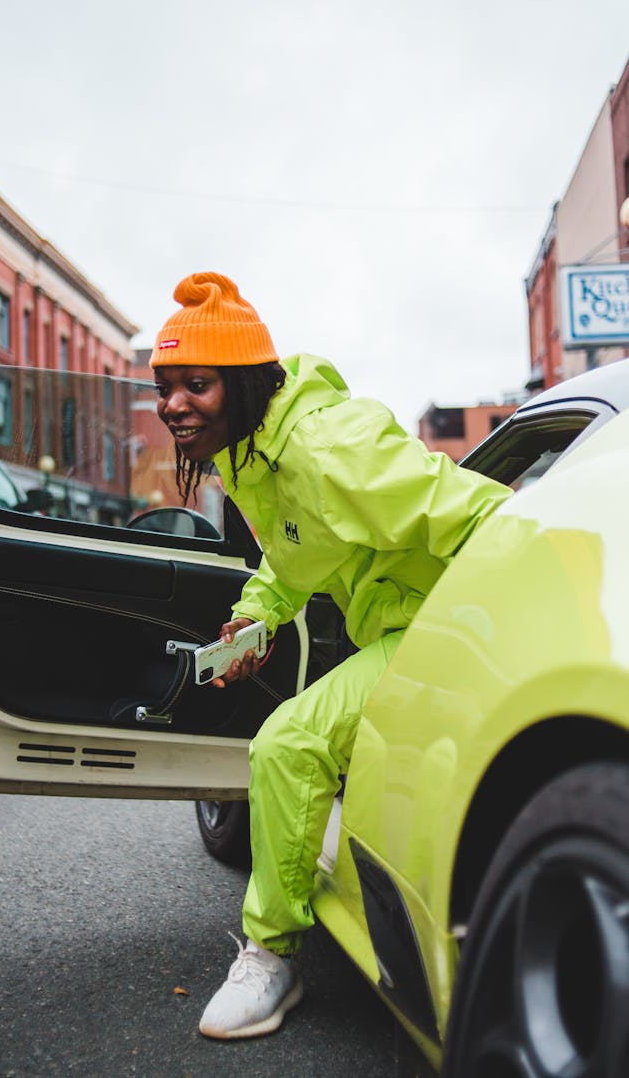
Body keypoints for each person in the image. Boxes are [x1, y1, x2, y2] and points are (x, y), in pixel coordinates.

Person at [151, 272, 512, 1040]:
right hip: (398, 626)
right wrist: (255, 616)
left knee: (288, 741)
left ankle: (271, 955)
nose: (172, 403)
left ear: (245, 382)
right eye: (165, 384)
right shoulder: (249, 457)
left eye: (196, 383)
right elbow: (291, 555)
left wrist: (511, 632)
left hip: (453, 620)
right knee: (296, 733)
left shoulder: (329, 444)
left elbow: (484, 512)